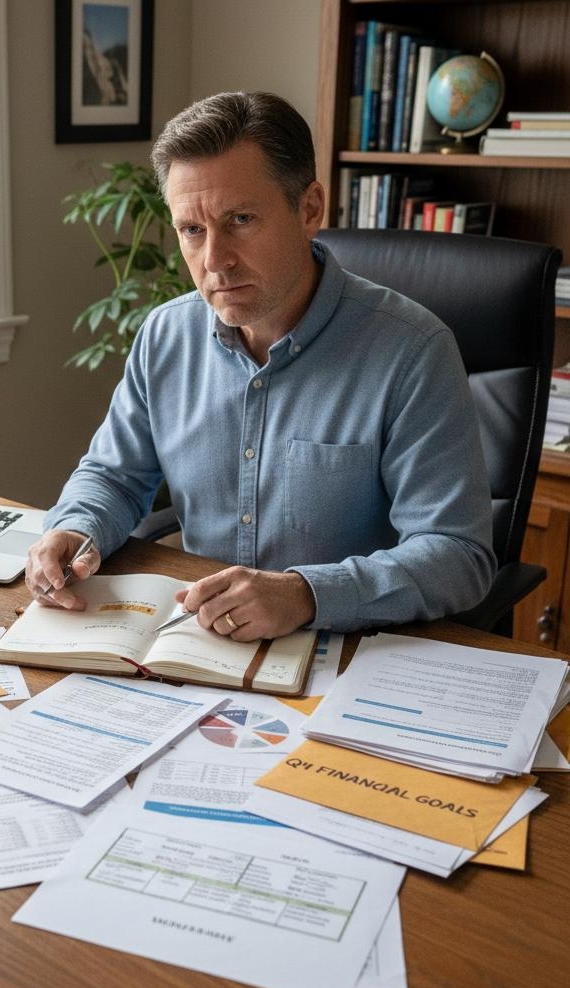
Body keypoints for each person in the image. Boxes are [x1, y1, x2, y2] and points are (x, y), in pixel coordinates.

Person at [25, 90, 495, 640]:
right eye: (191, 230)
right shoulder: (165, 335)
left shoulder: (413, 351)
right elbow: (114, 475)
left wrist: (306, 593)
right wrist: (74, 528)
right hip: (199, 641)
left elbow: (459, 555)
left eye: (241, 219)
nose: (214, 261)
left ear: (310, 209)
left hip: (348, 651)